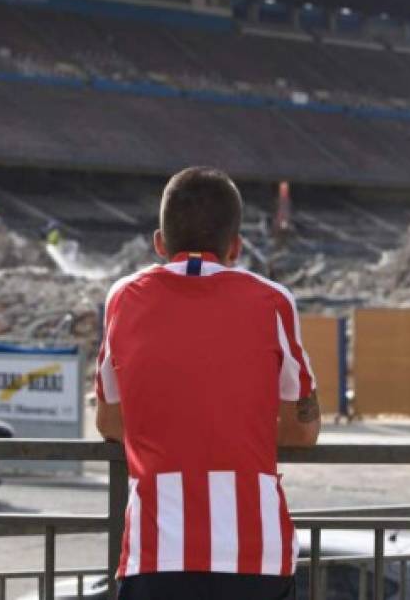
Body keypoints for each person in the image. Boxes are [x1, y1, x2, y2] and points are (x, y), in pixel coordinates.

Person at [94, 166, 320, 600]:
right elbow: (303, 430)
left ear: (160, 243)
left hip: (158, 556)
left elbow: (109, 422)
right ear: (235, 247)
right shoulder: (273, 301)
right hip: (257, 556)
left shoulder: (123, 299)